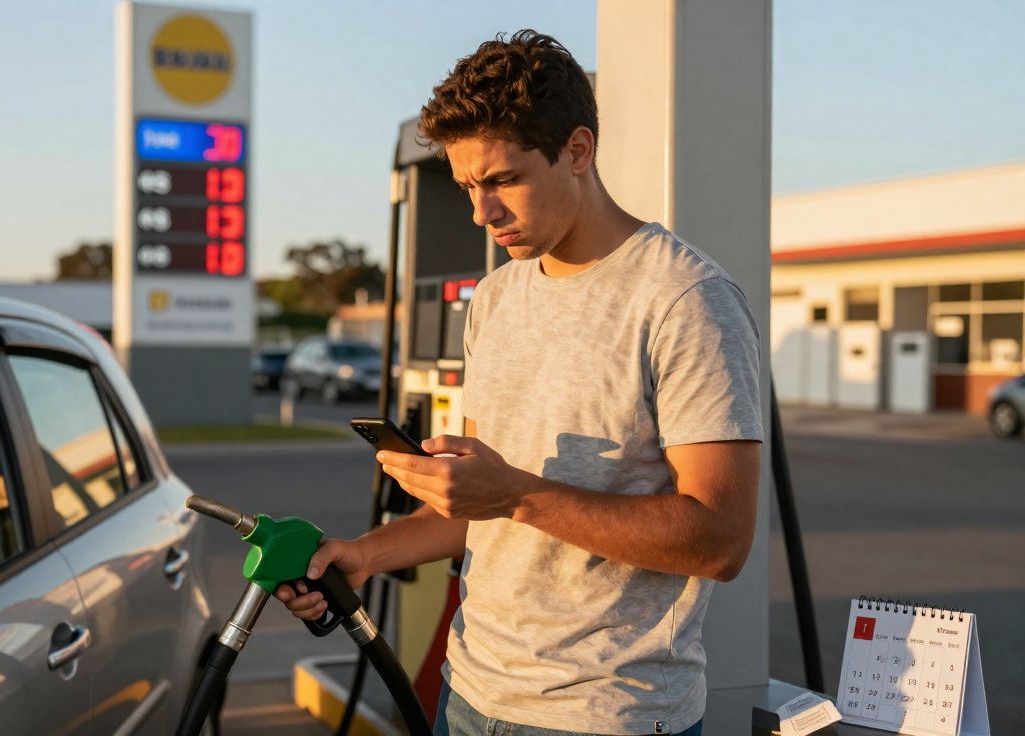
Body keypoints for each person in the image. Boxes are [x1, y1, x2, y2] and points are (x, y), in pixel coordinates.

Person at [276, 30, 762, 736]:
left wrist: (517, 493)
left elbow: (720, 541)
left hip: (605, 715)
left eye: (502, 179)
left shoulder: (685, 299)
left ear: (578, 151)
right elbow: (479, 506)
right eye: (468, 186)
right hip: (471, 695)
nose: (481, 211)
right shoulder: (497, 299)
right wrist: (366, 555)